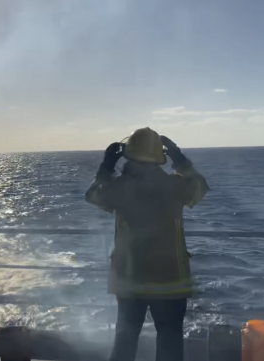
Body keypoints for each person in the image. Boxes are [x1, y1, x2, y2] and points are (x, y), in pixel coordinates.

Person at [85, 128, 209, 361]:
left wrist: (106, 166)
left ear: (128, 156)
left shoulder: (118, 187)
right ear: (159, 158)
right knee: (170, 340)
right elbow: (200, 186)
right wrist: (179, 159)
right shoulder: (175, 185)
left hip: (130, 280)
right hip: (170, 280)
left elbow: (92, 196)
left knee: (125, 339)